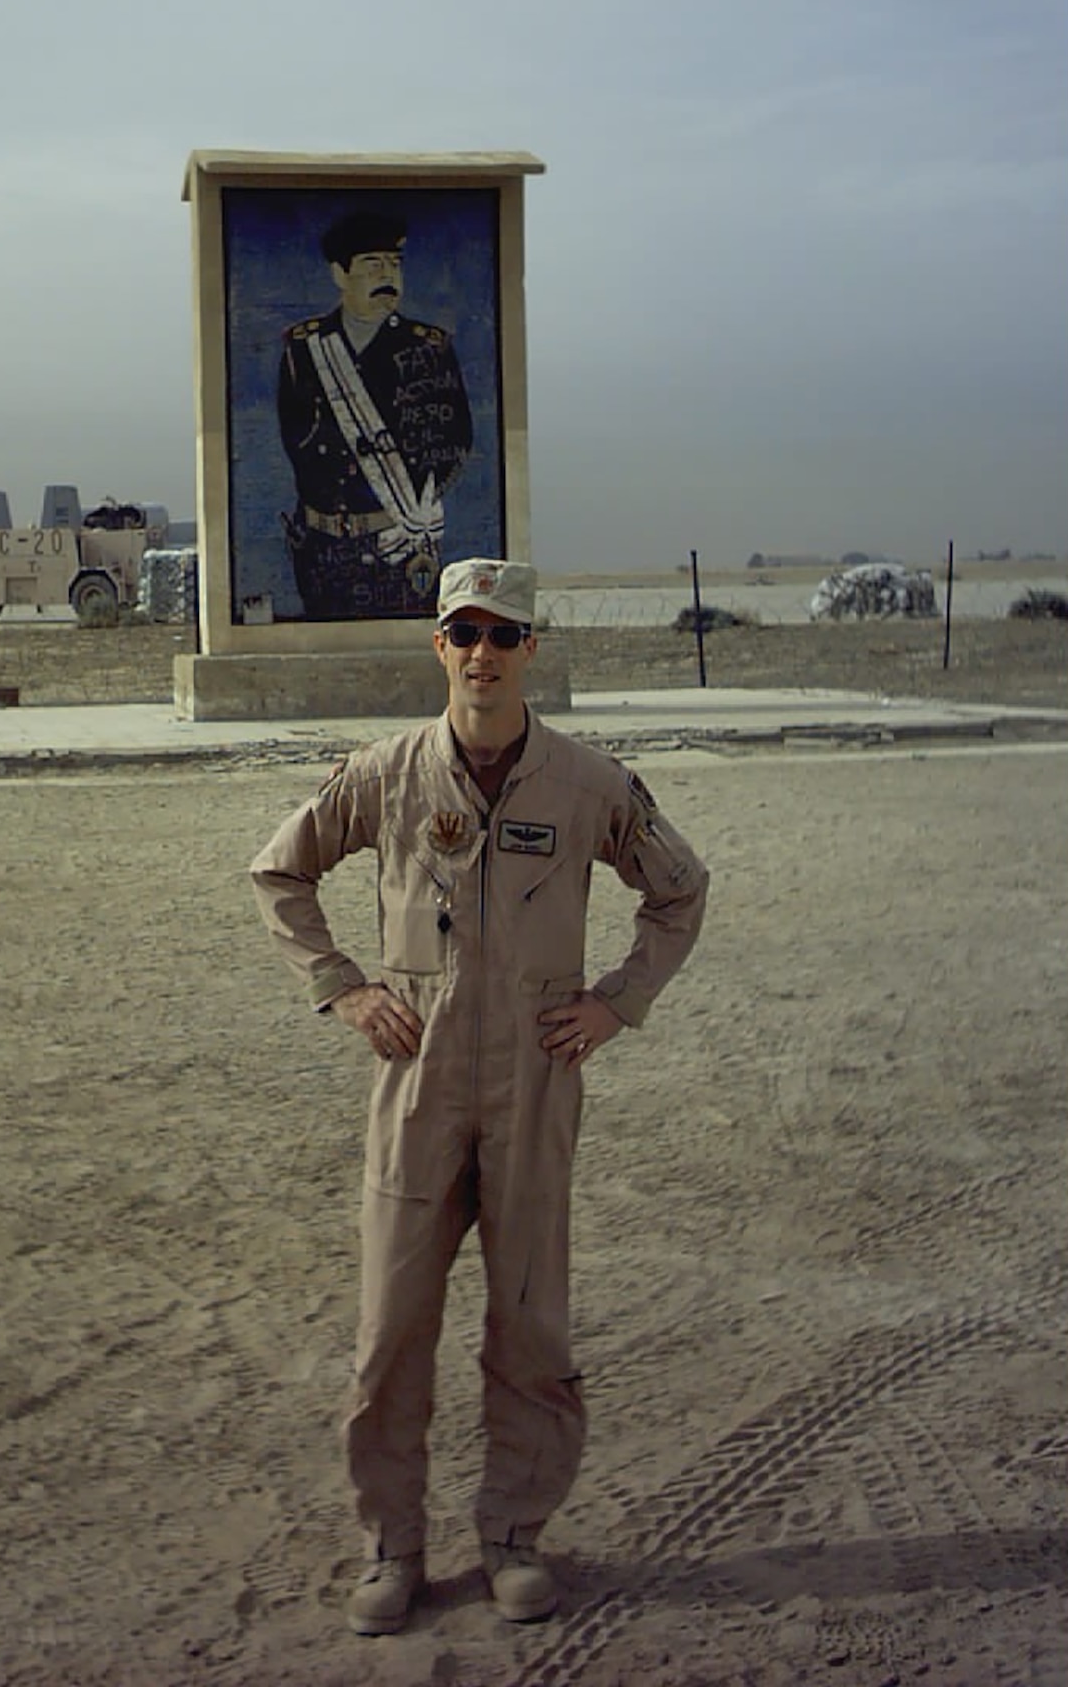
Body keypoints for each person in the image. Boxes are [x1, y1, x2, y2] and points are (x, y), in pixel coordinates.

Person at [249, 558, 709, 1635]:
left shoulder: (590, 782)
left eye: (505, 634)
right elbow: (279, 872)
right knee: (390, 1330)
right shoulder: (386, 773)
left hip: (535, 1086)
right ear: (439, 645)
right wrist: (346, 986)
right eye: (466, 631)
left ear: (532, 648)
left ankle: (511, 1534)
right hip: (419, 1084)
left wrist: (614, 1003)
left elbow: (678, 892)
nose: (484, 653)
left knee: (529, 1323)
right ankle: (390, 1545)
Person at [277, 210, 474, 620]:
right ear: (339, 274)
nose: (388, 276)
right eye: (373, 265)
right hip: (322, 549)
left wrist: (418, 513)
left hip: (398, 547)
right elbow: (296, 441)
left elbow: (456, 443)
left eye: (395, 265)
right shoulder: (303, 349)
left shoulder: (430, 349)